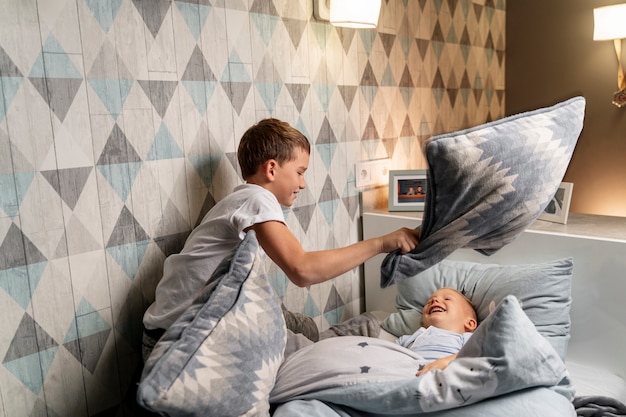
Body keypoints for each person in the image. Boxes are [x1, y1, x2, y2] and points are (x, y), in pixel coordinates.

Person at [142, 118, 420, 360]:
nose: (303, 184)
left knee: (303, 327)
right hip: (177, 342)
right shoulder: (256, 198)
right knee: (318, 350)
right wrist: (381, 243)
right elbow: (302, 269)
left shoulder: (241, 201)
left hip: (175, 331)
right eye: (300, 172)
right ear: (272, 169)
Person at [395, 287, 477, 376]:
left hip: (444, 375)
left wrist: (448, 361)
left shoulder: (466, 338)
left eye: (447, 299)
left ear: (470, 323)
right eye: (429, 302)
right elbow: (388, 354)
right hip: (406, 374)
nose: (434, 300)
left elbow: (479, 355)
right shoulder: (408, 338)